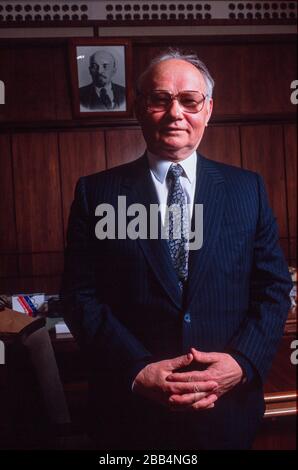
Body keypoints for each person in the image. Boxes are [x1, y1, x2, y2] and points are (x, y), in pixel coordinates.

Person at [61, 49, 292, 450]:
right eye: (159, 99)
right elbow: (81, 297)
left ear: (208, 110)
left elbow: (273, 288)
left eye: (189, 100)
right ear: (138, 108)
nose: (175, 113)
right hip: (129, 417)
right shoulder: (95, 193)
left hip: (227, 414)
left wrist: (240, 362)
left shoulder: (247, 190)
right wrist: (137, 370)